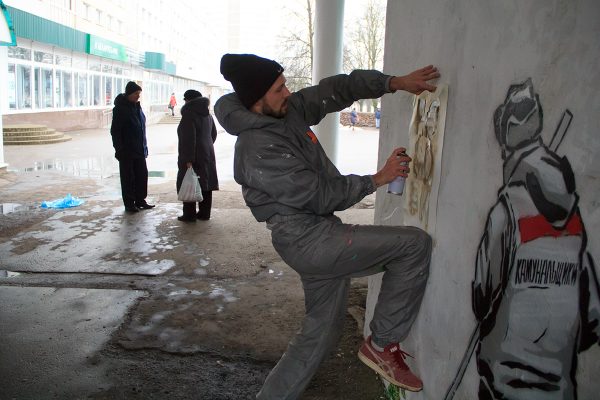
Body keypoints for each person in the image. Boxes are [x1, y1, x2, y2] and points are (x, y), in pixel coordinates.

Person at [214, 53, 439, 400]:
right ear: (255, 100)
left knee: (318, 337)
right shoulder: (256, 147)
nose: (287, 92)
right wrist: (378, 178)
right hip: (309, 241)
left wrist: (393, 82)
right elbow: (318, 195)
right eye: (278, 89)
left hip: (317, 236)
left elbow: (335, 89)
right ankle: (381, 343)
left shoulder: (285, 113)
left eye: (285, 84)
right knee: (413, 245)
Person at [472, 79, 599, 399]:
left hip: (501, 384)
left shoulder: (505, 213)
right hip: (560, 389)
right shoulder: (574, 218)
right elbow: (593, 316)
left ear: (507, 147)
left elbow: (481, 296)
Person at [110, 81, 155, 213]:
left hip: (140, 149)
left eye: (139, 93)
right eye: (136, 93)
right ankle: (129, 204)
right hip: (127, 151)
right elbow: (115, 131)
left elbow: (141, 128)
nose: (138, 96)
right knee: (128, 178)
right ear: (129, 94)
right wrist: (119, 149)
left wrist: (144, 147)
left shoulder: (137, 107)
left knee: (141, 176)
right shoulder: (120, 109)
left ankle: (140, 200)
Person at [176, 89, 218, 222]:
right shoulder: (207, 114)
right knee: (205, 182)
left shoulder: (189, 114)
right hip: (207, 153)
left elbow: (188, 138)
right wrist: (206, 146)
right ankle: (205, 213)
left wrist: (188, 159)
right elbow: (214, 134)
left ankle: (189, 214)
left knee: (189, 182)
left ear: (188, 101)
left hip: (193, 154)